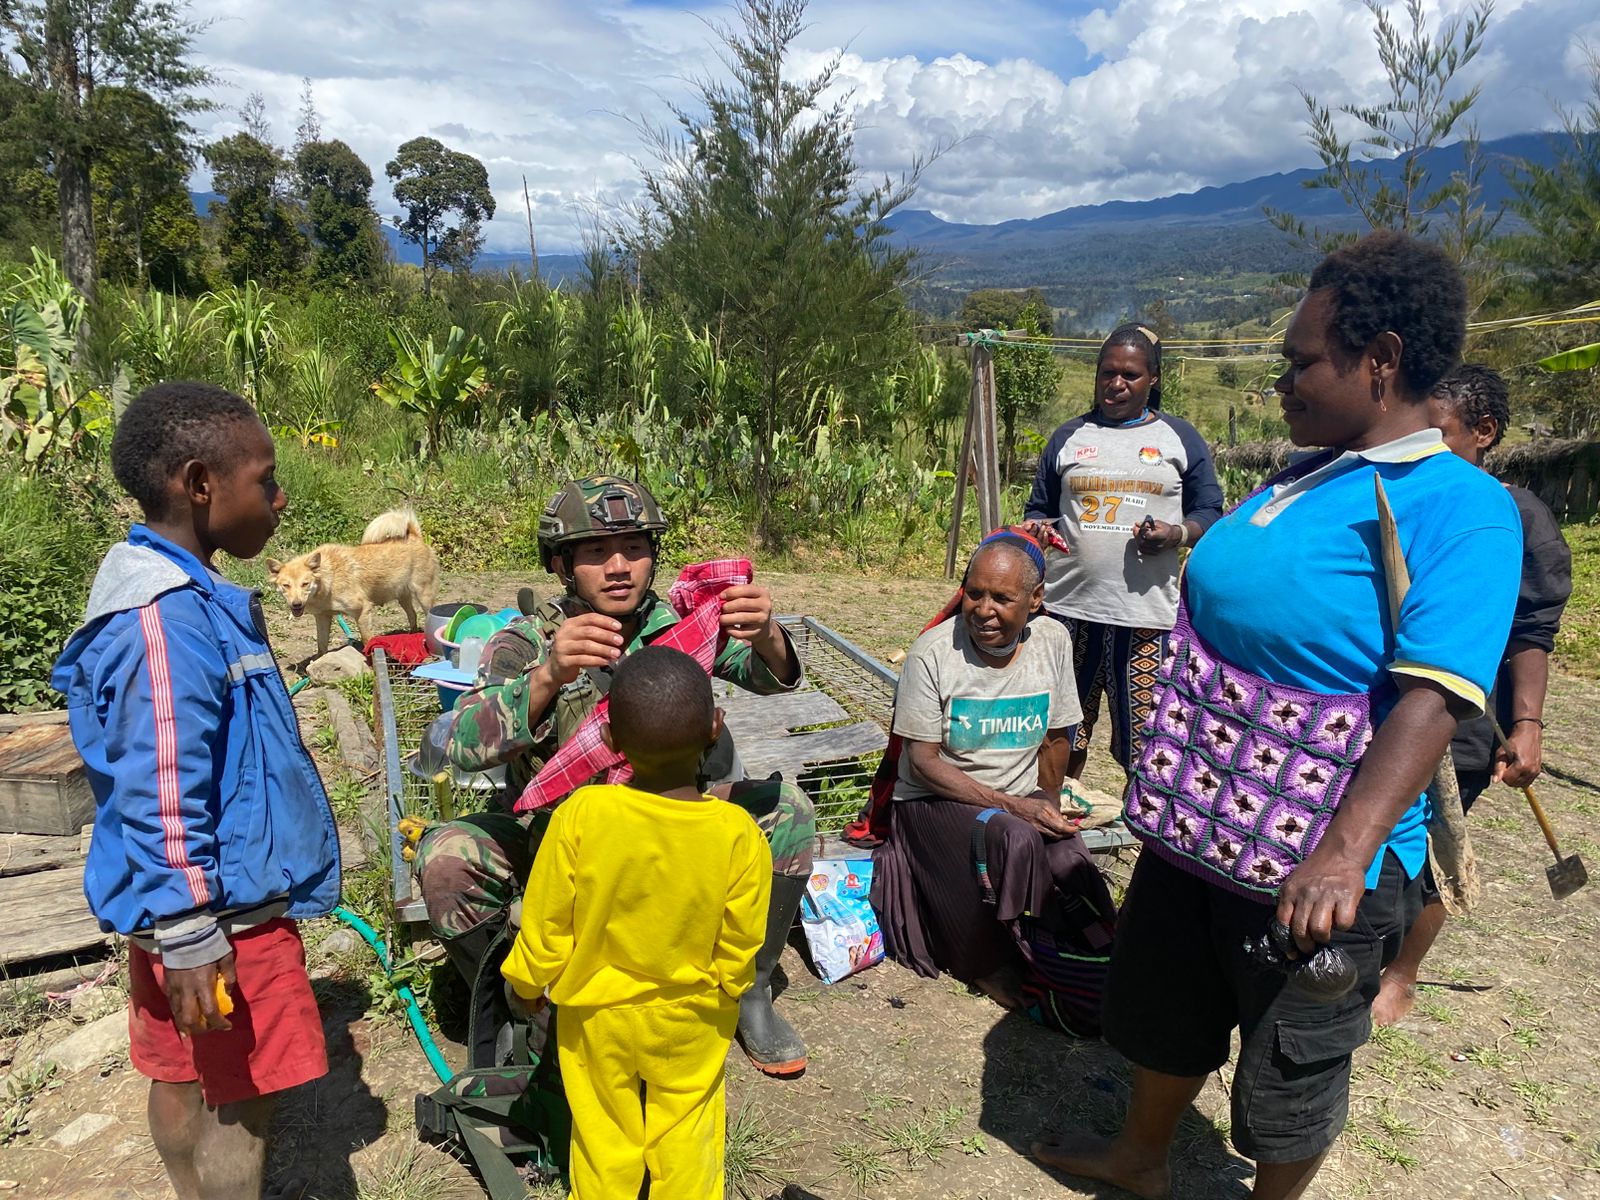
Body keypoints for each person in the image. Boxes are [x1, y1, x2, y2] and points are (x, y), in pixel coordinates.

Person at [1032, 233, 1522, 1200]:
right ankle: (1141, 1157)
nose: (1284, 380)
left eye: (1302, 361)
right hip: (1196, 824)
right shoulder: (1306, 472)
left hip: (1311, 858)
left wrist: (1343, 854)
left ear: (1379, 362)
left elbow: (1435, 696)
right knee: (1168, 1001)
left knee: (1291, 1054)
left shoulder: (1457, 507)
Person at [414, 475, 814, 1076]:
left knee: (789, 812)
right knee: (445, 857)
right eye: (597, 552)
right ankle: (516, 1003)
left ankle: (748, 992)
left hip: (677, 830)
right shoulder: (527, 640)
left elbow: (768, 674)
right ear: (562, 564)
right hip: (562, 846)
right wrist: (548, 676)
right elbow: (461, 744)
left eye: (635, 547)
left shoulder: (680, 623)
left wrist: (769, 634)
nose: (620, 566)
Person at [51, 382, 340, 1200]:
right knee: (234, 1101)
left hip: (174, 906)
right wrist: (187, 932)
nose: (279, 498)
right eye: (265, 479)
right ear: (199, 483)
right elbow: (160, 783)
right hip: (217, 915)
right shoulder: (169, 617)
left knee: (179, 1074)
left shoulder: (160, 585)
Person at [500, 645, 771, 1199]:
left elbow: (547, 923)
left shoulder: (582, 815)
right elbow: (743, 939)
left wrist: (526, 985)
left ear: (610, 742)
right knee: (688, 1130)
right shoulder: (739, 833)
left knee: (604, 1132)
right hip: (692, 1016)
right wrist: (727, 988)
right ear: (715, 729)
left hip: (598, 1018)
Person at [1373, 364, 1572, 1025]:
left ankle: (1401, 972)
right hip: (1383, 697)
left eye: (1438, 433)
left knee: (1435, 839)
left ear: (1482, 433)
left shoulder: (1513, 516)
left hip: (1462, 713)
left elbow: (1529, 633)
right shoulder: (1402, 495)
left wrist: (1527, 724)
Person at [871, 530, 1114, 1021]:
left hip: (1017, 796)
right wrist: (1016, 808)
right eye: (974, 593)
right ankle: (979, 959)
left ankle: (1087, 956)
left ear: (1036, 601)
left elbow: (1056, 736)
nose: (984, 609)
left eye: (1002, 598)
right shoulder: (933, 654)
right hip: (933, 803)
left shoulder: (1052, 641)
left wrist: (1045, 801)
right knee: (1014, 839)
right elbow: (923, 762)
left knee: (1071, 858)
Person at [1024, 325, 1224, 779]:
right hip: (1067, 611)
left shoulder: (1179, 438)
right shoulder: (1069, 436)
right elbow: (1040, 509)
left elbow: (1211, 510)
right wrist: (1039, 530)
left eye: (1130, 375)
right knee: (1061, 730)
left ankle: (1141, 832)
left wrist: (1175, 533)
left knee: (1146, 741)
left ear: (1152, 378)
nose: (1116, 384)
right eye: (1107, 373)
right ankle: (1056, 819)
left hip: (1145, 619)